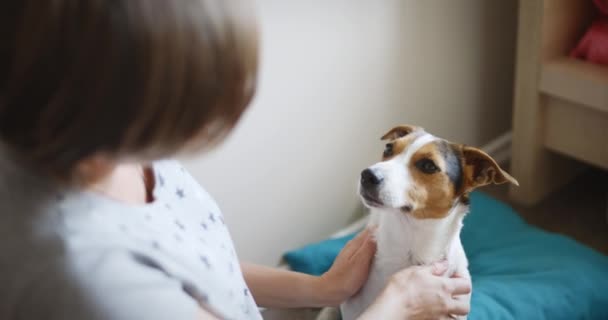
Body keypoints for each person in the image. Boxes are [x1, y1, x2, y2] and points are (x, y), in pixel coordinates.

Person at [0, 1, 471, 319]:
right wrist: (394, 305)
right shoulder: (98, 285)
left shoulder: (114, 149)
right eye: (199, 98)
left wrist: (322, 288)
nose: (218, 120)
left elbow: (201, 268)